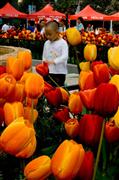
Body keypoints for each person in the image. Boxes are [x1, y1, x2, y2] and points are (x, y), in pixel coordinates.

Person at [42, 21, 68, 86]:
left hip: (59, 72)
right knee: (47, 88)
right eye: (46, 34)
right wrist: (44, 64)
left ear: (57, 33)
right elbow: (44, 56)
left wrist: (54, 61)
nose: (48, 36)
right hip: (48, 72)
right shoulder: (46, 43)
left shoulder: (63, 43)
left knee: (57, 89)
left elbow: (65, 56)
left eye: (50, 34)